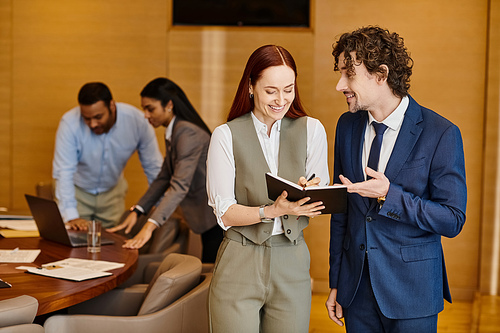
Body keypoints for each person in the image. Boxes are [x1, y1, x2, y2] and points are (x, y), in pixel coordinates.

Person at [325, 26, 467, 332]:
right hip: (355, 290)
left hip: (412, 292)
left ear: (381, 74)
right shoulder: (346, 126)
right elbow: (342, 212)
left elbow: (453, 219)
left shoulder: (441, 133)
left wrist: (390, 195)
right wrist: (336, 281)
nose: (339, 85)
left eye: (349, 75)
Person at [206, 45, 330, 332]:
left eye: (288, 89)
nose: (281, 99)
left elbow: (319, 197)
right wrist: (271, 211)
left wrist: (310, 193)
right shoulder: (225, 136)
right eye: (271, 90)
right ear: (250, 86)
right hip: (240, 260)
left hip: (292, 259)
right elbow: (224, 213)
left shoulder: (312, 130)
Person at [107, 78, 223, 263]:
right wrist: (138, 211)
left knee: (213, 273)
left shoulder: (187, 133)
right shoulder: (174, 130)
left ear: (169, 105)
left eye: (150, 108)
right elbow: (163, 177)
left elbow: (179, 185)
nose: (145, 115)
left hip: (216, 216)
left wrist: (150, 226)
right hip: (207, 216)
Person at [52, 82, 163, 230]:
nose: (92, 124)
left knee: (110, 246)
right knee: (74, 242)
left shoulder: (137, 121)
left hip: (112, 194)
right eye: (87, 118)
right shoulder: (70, 123)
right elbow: (64, 171)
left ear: (112, 106)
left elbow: (153, 168)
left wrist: (160, 205)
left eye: (98, 117)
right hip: (77, 192)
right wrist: (72, 216)